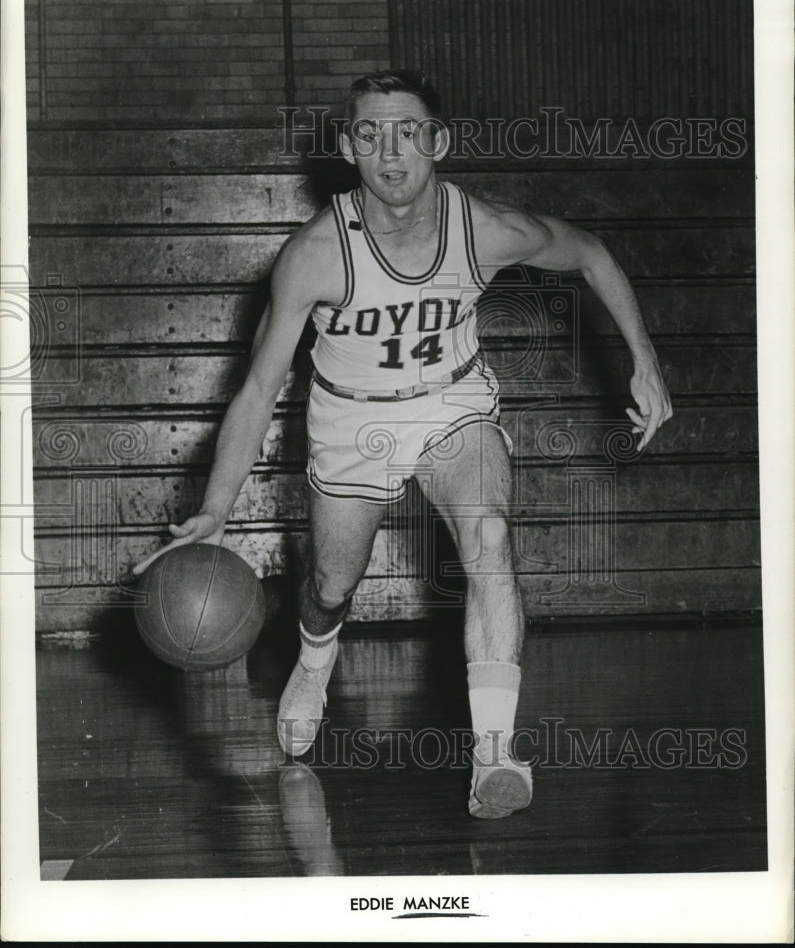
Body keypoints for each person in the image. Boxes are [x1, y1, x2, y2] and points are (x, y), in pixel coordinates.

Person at [133, 69, 672, 819]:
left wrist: (644, 361)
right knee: (328, 588)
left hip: (451, 405)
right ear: (347, 149)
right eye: (370, 133)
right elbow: (257, 390)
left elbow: (588, 252)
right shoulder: (315, 254)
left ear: (438, 142)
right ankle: (316, 662)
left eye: (408, 131)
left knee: (488, 539)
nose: (391, 150)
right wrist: (217, 509)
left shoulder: (482, 228)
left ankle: (493, 754)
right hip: (350, 422)